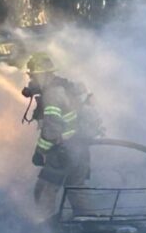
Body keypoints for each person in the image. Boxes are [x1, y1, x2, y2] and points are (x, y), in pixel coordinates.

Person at [22, 53, 101, 220]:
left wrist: (39, 151)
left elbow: (51, 129)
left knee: (44, 191)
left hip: (62, 151)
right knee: (76, 190)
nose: (31, 80)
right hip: (80, 150)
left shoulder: (52, 94)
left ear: (42, 74)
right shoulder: (66, 89)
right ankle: (89, 227)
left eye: (32, 75)